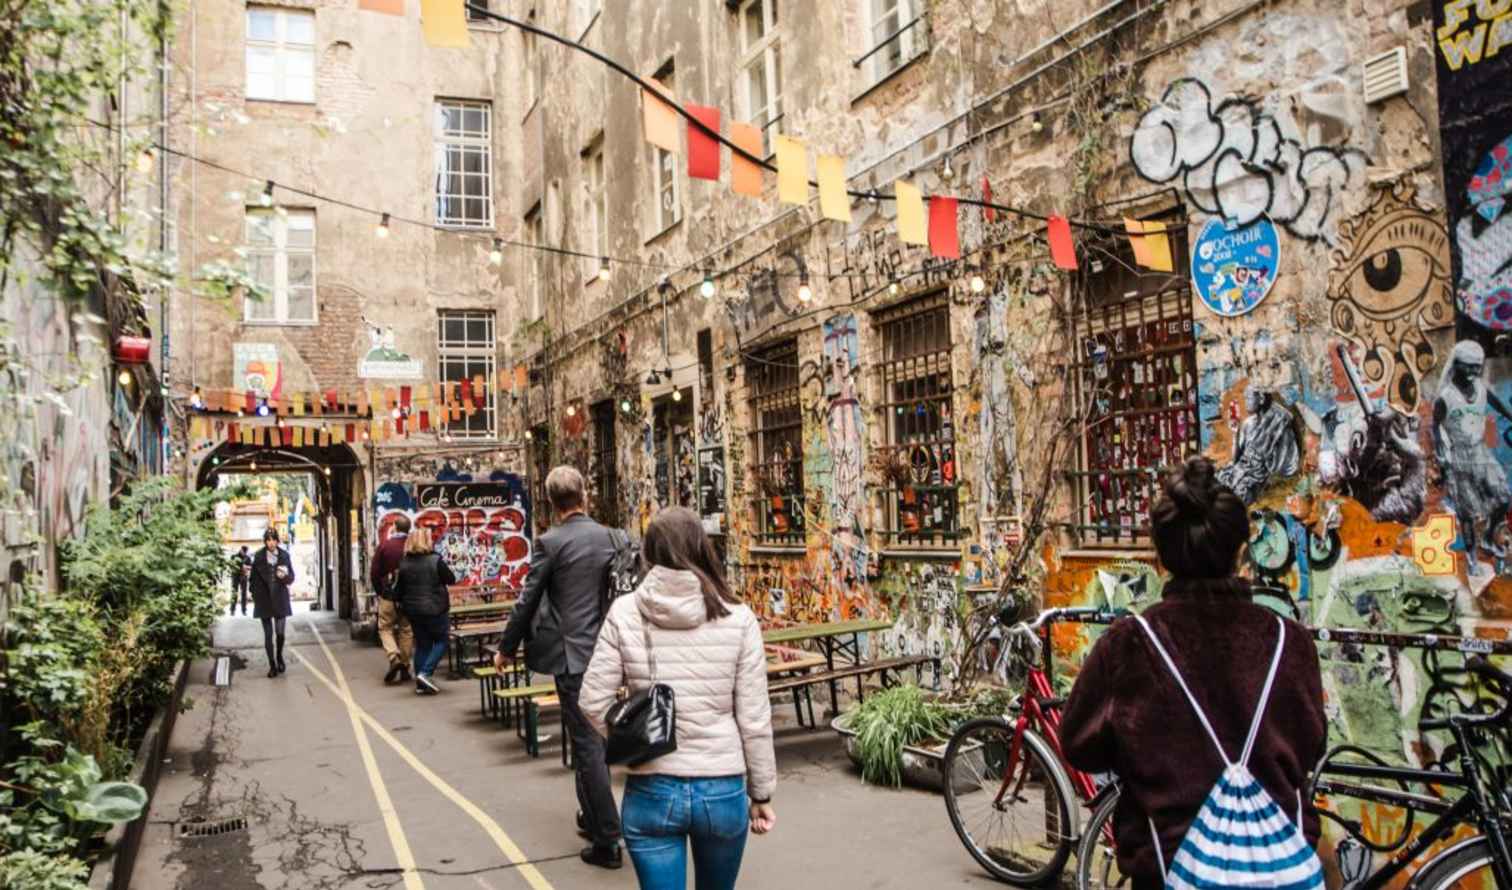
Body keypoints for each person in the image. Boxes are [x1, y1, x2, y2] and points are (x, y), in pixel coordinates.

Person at [1061, 456, 1327, 890]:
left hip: (1169, 867)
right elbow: (1311, 744)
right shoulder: (1288, 642)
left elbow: (1080, 745)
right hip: (1282, 868)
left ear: (1160, 560)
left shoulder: (1131, 644)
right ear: (1242, 553)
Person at [579, 507, 776, 890]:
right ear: (702, 549)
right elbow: (754, 718)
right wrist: (762, 793)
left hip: (652, 786)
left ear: (648, 555)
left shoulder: (625, 612)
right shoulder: (738, 618)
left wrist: (632, 740)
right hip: (721, 787)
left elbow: (590, 700)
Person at [496, 466, 623, 868]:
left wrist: (506, 648)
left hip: (574, 658)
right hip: (611, 652)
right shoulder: (613, 537)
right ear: (584, 494)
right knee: (598, 741)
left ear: (552, 502)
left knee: (588, 747)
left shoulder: (550, 543)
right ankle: (591, 816)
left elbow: (527, 601)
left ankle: (608, 839)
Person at [1433, 339, 1512, 567]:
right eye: (1469, 366)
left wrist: (1509, 414)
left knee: (1503, 498)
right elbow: (1435, 425)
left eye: (1477, 367)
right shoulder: (1446, 397)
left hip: (1480, 452)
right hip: (1459, 458)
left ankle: (1488, 537)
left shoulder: (1479, 389)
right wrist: (1439, 445)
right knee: (1466, 514)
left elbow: (1495, 402)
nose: (1474, 371)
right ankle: (1472, 560)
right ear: (1456, 364)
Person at [390, 526, 456, 695]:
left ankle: (420, 684)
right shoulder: (436, 560)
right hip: (435, 609)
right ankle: (425, 674)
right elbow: (451, 579)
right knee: (442, 640)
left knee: (423, 645)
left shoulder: (404, 564)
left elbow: (397, 592)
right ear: (425, 541)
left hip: (413, 611)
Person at [370, 515, 415, 685]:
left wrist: (380, 591)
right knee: (406, 629)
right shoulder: (412, 545)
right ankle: (404, 665)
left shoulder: (385, 546)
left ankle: (393, 656)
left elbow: (374, 572)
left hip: (389, 594)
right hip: (408, 596)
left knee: (385, 628)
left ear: (395, 527)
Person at [249, 529, 296, 679]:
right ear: (265, 541)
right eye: (268, 540)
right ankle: (272, 665)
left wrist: (284, 576)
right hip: (264, 600)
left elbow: (291, 578)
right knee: (268, 635)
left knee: (280, 633)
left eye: (273, 540)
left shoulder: (284, 556)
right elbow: (253, 580)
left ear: (277, 541)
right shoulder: (258, 557)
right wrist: (255, 595)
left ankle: (280, 656)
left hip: (280, 598)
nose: (271, 543)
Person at [228, 545, 251, 616]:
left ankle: (244, 610)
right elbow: (231, 565)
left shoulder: (247, 558)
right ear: (240, 550)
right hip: (235, 576)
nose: (244, 553)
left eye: (245, 552)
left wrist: (246, 567)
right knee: (234, 593)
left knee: (244, 594)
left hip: (244, 577)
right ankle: (232, 610)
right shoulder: (234, 556)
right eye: (243, 551)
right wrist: (241, 567)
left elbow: (251, 566)